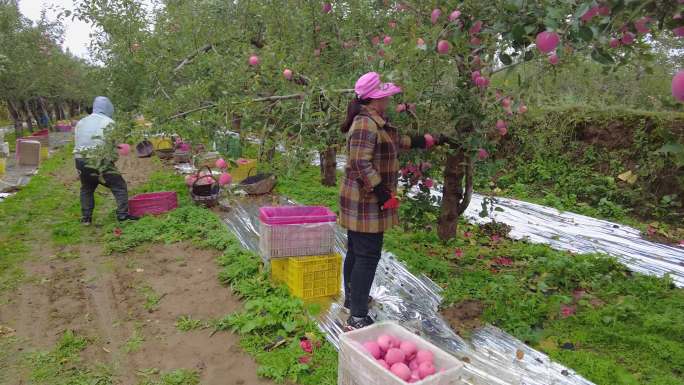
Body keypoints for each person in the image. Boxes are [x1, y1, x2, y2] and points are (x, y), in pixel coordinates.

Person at [340, 72, 444, 330]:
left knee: (357, 250)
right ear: (375, 99)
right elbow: (359, 162)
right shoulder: (365, 124)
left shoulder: (375, 121)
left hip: (363, 198)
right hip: (366, 200)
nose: (388, 99)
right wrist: (382, 192)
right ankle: (357, 315)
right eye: (385, 96)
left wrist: (431, 140)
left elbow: (399, 142)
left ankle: (353, 300)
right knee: (367, 255)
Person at [74, 96, 138, 225]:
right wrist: (116, 155)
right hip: (99, 159)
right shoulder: (109, 122)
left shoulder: (81, 122)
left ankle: (86, 218)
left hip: (80, 159)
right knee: (119, 186)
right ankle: (122, 215)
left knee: (87, 188)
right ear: (108, 108)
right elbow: (113, 145)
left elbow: (79, 141)